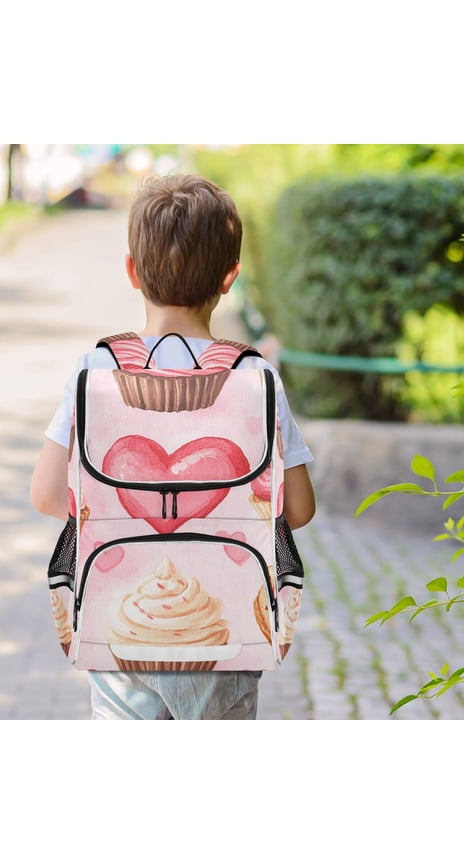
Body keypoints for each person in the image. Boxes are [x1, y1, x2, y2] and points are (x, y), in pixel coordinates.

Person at [30, 173, 316, 720]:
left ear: (132, 272)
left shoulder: (96, 371)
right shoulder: (256, 378)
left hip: (119, 630)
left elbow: (46, 496)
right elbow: (298, 510)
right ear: (230, 277)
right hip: (227, 635)